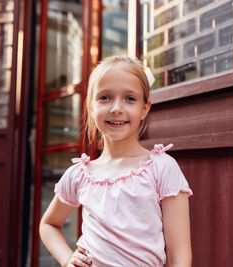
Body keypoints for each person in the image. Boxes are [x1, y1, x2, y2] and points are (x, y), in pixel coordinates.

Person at [40, 56, 193, 267]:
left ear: (144, 109)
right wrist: (67, 259)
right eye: (105, 97)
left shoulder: (162, 168)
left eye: (130, 98)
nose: (116, 108)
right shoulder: (80, 175)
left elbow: (180, 257)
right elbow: (48, 224)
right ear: (92, 107)